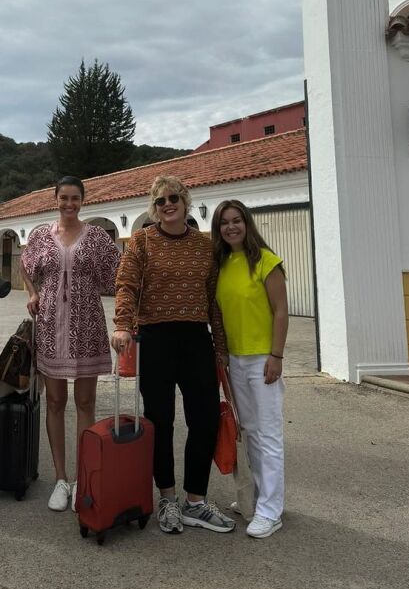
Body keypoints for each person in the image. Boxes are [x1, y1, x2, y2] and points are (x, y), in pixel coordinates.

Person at [111, 175, 235, 536]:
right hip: (156, 338)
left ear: (185, 202)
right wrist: (121, 325)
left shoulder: (205, 245)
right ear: (155, 207)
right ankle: (167, 498)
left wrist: (221, 347)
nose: (168, 204)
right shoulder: (142, 241)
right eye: (161, 200)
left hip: (196, 338)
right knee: (159, 420)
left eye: (174, 198)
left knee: (206, 419)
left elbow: (214, 300)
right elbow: (127, 285)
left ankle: (194, 501)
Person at [20, 176, 120, 512]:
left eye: (75, 198)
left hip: (87, 324)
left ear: (82, 200)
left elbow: (115, 275)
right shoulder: (40, 236)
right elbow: (25, 265)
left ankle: (83, 478)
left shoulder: (96, 238)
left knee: (86, 401)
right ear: (55, 198)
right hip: (50, 325)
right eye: (64, 197)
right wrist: (33, 294)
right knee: (55, 401)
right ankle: (61, 479)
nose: (69, 204)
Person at [212, 199, 288, 539]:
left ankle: (271, 511)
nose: (231, 227)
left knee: (268, 435)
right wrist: (224, 354)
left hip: (263, 360)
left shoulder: (266, 262)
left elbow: (282, 310)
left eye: (237, 220)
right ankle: (258, 500)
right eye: (224, 222)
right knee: (250, 433)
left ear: (247, 223)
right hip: (236, 361)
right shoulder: (223, 264)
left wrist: (277, 356)